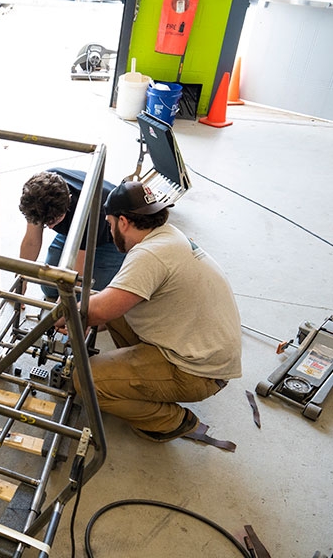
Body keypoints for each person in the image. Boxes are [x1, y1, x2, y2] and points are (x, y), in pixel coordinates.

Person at [74, 180, 241, 442]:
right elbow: (107, 307)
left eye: (109, 224)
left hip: (197, 371)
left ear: (123, 222)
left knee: (84, 379)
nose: (110, 230)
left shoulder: (150, 255)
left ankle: (172, 421)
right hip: (202, 349)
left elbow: (99, 311)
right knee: (105, 302)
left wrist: (64, 315)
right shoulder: (166, 235)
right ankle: (135, 377)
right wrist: (88, 315)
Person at [18, 168, 124, 299]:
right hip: (74, 231)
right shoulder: (37, 196)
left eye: (54, 221)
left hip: (112, 239)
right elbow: (31, 242)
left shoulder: (88, 211)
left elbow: (76, 273)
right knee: (49, 286)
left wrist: (62, 307)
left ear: (68, 201)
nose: (50, 227)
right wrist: (21, 281)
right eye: (45, 223)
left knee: (81, 297)